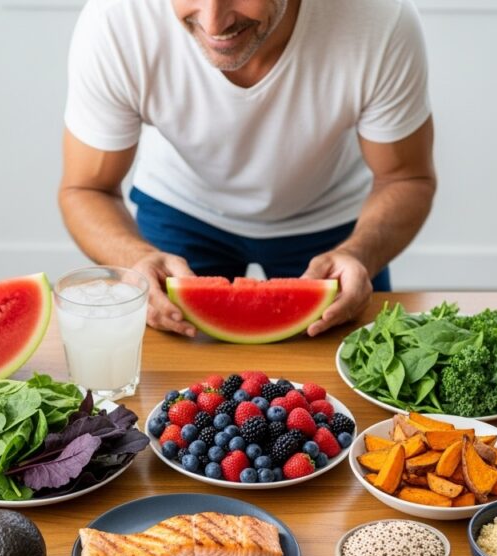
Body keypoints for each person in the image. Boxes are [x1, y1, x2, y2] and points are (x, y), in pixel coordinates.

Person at [58, 0, 436, 337]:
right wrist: (133, 258)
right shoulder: (116, 20)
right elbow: (86, 189)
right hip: (181, 209)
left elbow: (405, 177)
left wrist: (360, 254)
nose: (214, 22)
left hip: (331, 223)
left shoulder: (381, 18)